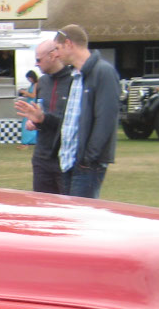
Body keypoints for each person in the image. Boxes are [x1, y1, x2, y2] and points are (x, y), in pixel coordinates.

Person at [54, 24, 119, 199]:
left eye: (58, 48)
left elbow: (106, 119)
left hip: (86, 165)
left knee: (80, 220)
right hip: (68, 162)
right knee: (68, 218)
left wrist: (88, 159)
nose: (56, 54)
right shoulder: (74, 76)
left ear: (69, 44)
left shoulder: (103, 72)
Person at [14, 40, 74, 194]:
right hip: (41, 157)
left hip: (65, 157)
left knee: (67, 208)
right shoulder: (42, 82)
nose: (36, 64)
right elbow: (41, 113)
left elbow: (71, 122)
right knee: (42, 206)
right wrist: (34, 121)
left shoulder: (74, 82)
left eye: (39, 59)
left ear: (53, 55)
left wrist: (42, 119)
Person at [17, 70, 39, 147]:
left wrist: (25, 92)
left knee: (30, 121)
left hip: (32, 104)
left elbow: (33, 95)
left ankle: (32, 140)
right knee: (26, 121)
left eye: (29, 78)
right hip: (29, 103)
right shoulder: (32, 85)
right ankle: (27, 140)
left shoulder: (36, 84)